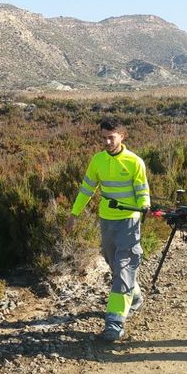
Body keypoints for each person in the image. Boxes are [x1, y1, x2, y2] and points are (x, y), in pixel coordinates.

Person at [66, 117, 150, 342]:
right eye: (102, 137)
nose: (106, 142)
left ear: (122, 136)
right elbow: (87, 189)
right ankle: (134, 297)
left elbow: (142, 191)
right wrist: (74, 214)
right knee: (115, 265)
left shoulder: (134, 162)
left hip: (129, 222)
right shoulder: (98, 160)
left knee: (124, 267)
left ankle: (114, 324)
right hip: (107, 222)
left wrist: (144, 206)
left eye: (110, 138)